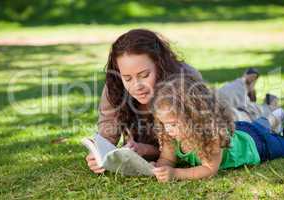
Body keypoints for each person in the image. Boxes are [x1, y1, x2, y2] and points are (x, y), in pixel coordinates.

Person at [86, 29, 203, 174]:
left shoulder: (185, 80)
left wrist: (146, 150)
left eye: (144, 75)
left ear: (160, 66)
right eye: (127, 78)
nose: (137, 86)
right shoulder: (115, 86)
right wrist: (99, 155)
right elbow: (107, 134)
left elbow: (193, 147)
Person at [150, 76, 284, 182]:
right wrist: (160, 168)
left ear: (194, 118)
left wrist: (175, 174)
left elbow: (209, 169)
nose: (168, 129)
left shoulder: (210, 136)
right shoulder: (171, 135)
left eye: (173, 124)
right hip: (242, 131)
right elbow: (166, 159)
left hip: (258, 145)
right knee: (257, 127)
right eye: (164, 123)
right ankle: (272, 119)